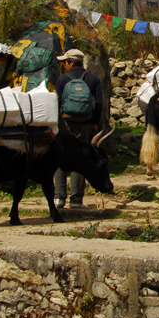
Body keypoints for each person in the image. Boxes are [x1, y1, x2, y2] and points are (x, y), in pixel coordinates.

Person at [53, 48, 103, 209]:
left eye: (65, 63)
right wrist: (94, 122)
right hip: (84, 123)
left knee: (60, 157)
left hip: (64, 124)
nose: (64, 66)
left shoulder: (62, 79)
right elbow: (99, 103)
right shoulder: (93, 78)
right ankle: (76, 200)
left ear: (71, 62)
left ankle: (59, 198)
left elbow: (57, 102)